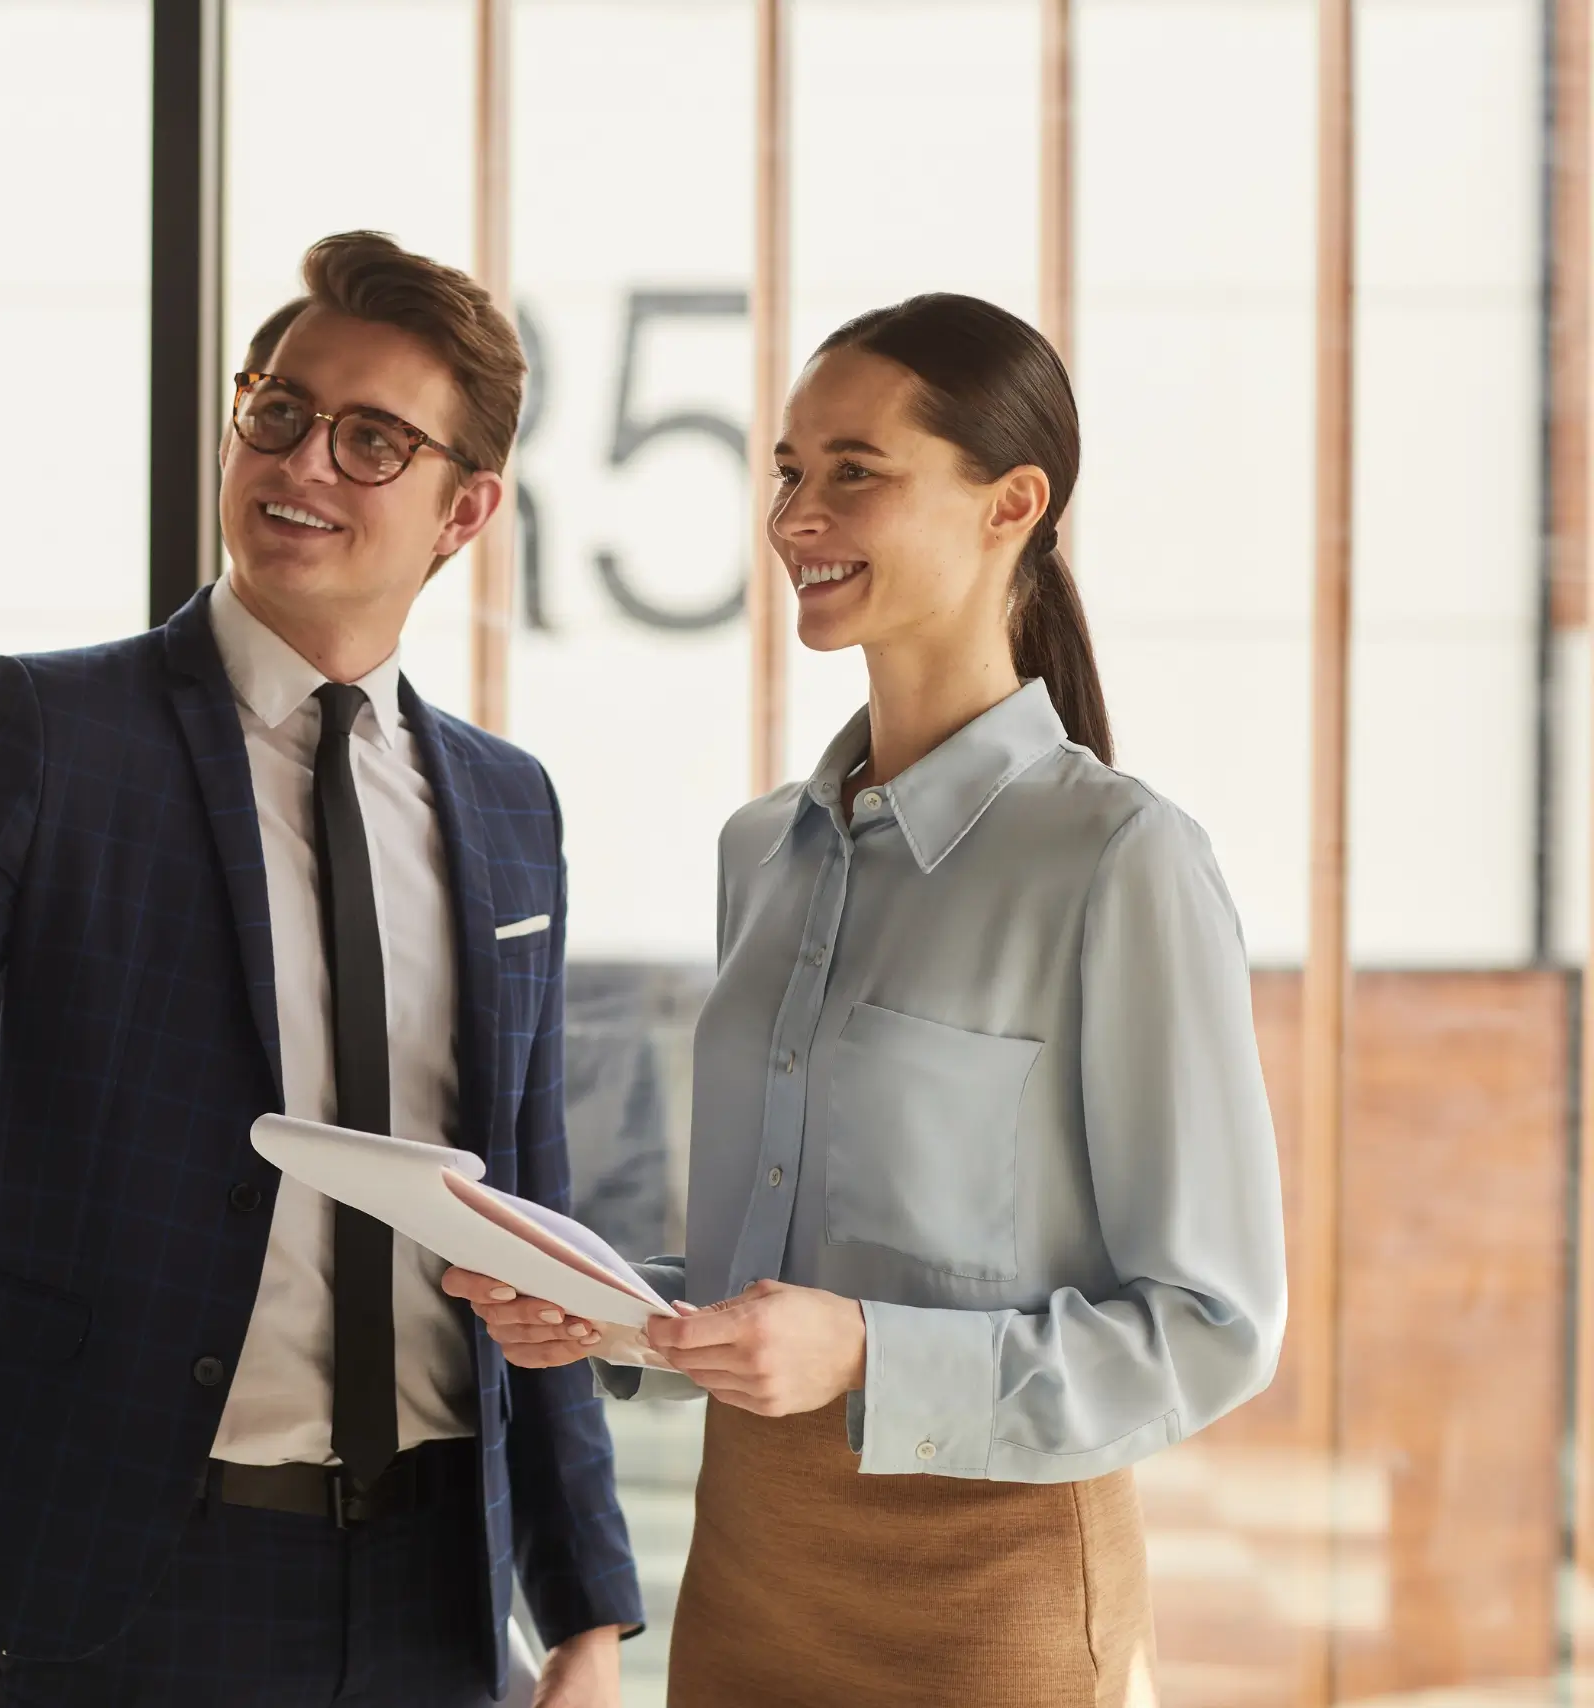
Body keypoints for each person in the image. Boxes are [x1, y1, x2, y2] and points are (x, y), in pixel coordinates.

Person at [0, 230, 643, 1708]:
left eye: (373, 439)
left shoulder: (509, 805)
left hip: (441, 1591)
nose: (304, 462)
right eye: (280, 411)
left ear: (464, 509)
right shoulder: (52, 736)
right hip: (137, 1584)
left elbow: (529, 1221)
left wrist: (587, 1610)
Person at [446, 293, 1287, 1705]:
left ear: (1011, 502)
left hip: (994, 1599)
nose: (795, 516)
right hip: (748, 1576)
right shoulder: (761, 852)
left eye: (855, 472)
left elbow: (1212, 1328)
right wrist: (611, 1312)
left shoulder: (1118, 861)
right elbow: (780, 1279)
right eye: (787, 469)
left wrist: (869, 1356)